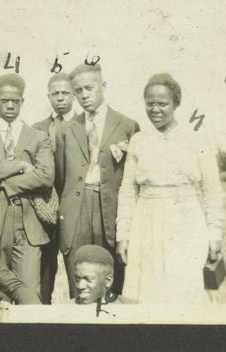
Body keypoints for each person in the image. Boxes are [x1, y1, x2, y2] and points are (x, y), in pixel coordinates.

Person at [115, 72, 224, 303]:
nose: (155, 109)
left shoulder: (197, 139)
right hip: (146, 223)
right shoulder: (138, 141)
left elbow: (212, 190)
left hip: (187, 222)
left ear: (176, 104)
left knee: (183, 291)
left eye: (163, 103)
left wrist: (215, 234)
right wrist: (123, 235)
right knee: (146, 293)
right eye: (150, 103)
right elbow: (127, 191)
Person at [55, 63, 139, 298]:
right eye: (78, 91)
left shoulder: (127, 126)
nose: (83, 95)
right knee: (80, 282)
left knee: (112, 279)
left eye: (88, 88)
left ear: (103, 86)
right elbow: (61, 178)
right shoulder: (67, 128)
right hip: (77, 212)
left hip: (109, 213)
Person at [0, 73, 54, 292]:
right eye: (4, 100)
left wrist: (7, 184)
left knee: (28, 291)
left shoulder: (38, 137)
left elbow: (46, 175)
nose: (9, 105)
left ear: (22, 102)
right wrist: (19, 165)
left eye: (15, 101)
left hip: (28, 225)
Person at [32, 72, 76, 304]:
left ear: (74, 95)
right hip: (45, 209)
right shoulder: (37, 128)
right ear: (48, 96)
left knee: (76, 270)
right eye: (55, 93)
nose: (60, 98)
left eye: (65, 93)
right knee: (45, 269)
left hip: (73, 207)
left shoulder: (83, 124)